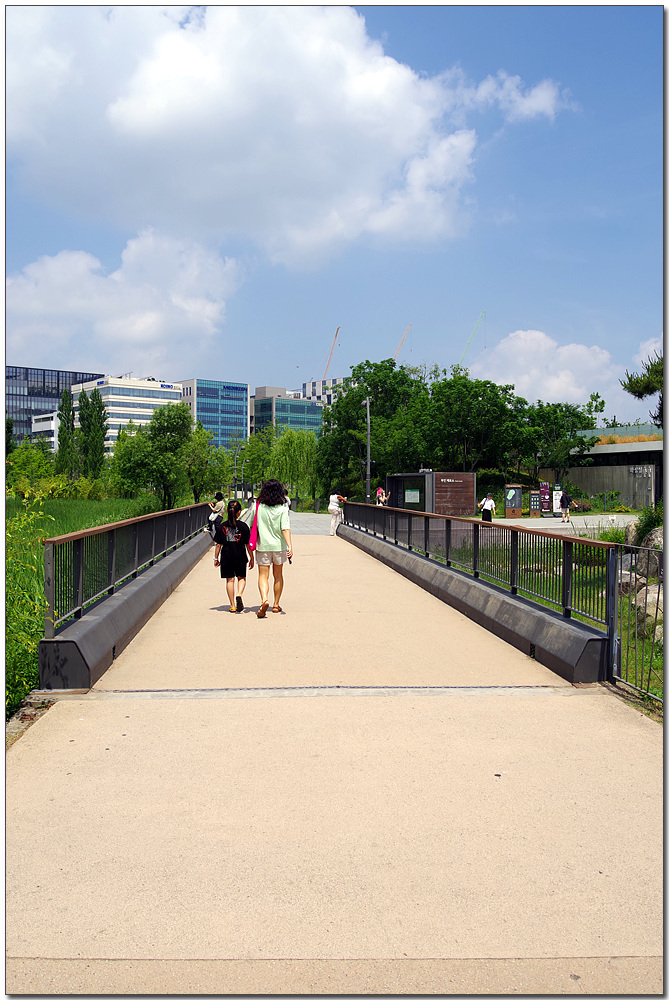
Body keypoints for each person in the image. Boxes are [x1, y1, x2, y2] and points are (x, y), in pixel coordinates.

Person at [254, 478, 293, 618]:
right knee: (278, 575)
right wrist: (290, 546)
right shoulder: (283, 508)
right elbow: (285, 528)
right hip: (279, 546)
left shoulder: (258, 507)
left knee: (263, 575)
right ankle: (276, 605)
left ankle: (264, 600)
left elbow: (253, 525)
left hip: (263, 545)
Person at [213, 500, 254, 613]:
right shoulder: (244, 526)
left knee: (230, 580)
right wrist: (251, 558)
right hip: (240, 556)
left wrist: (216, 558)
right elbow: (247, 545)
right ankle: (239, 594)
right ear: (239, 512)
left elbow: (218, 545)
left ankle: (232, 605)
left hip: (226, 557)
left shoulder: (222, 527)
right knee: (241, 578)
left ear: (227, 511)